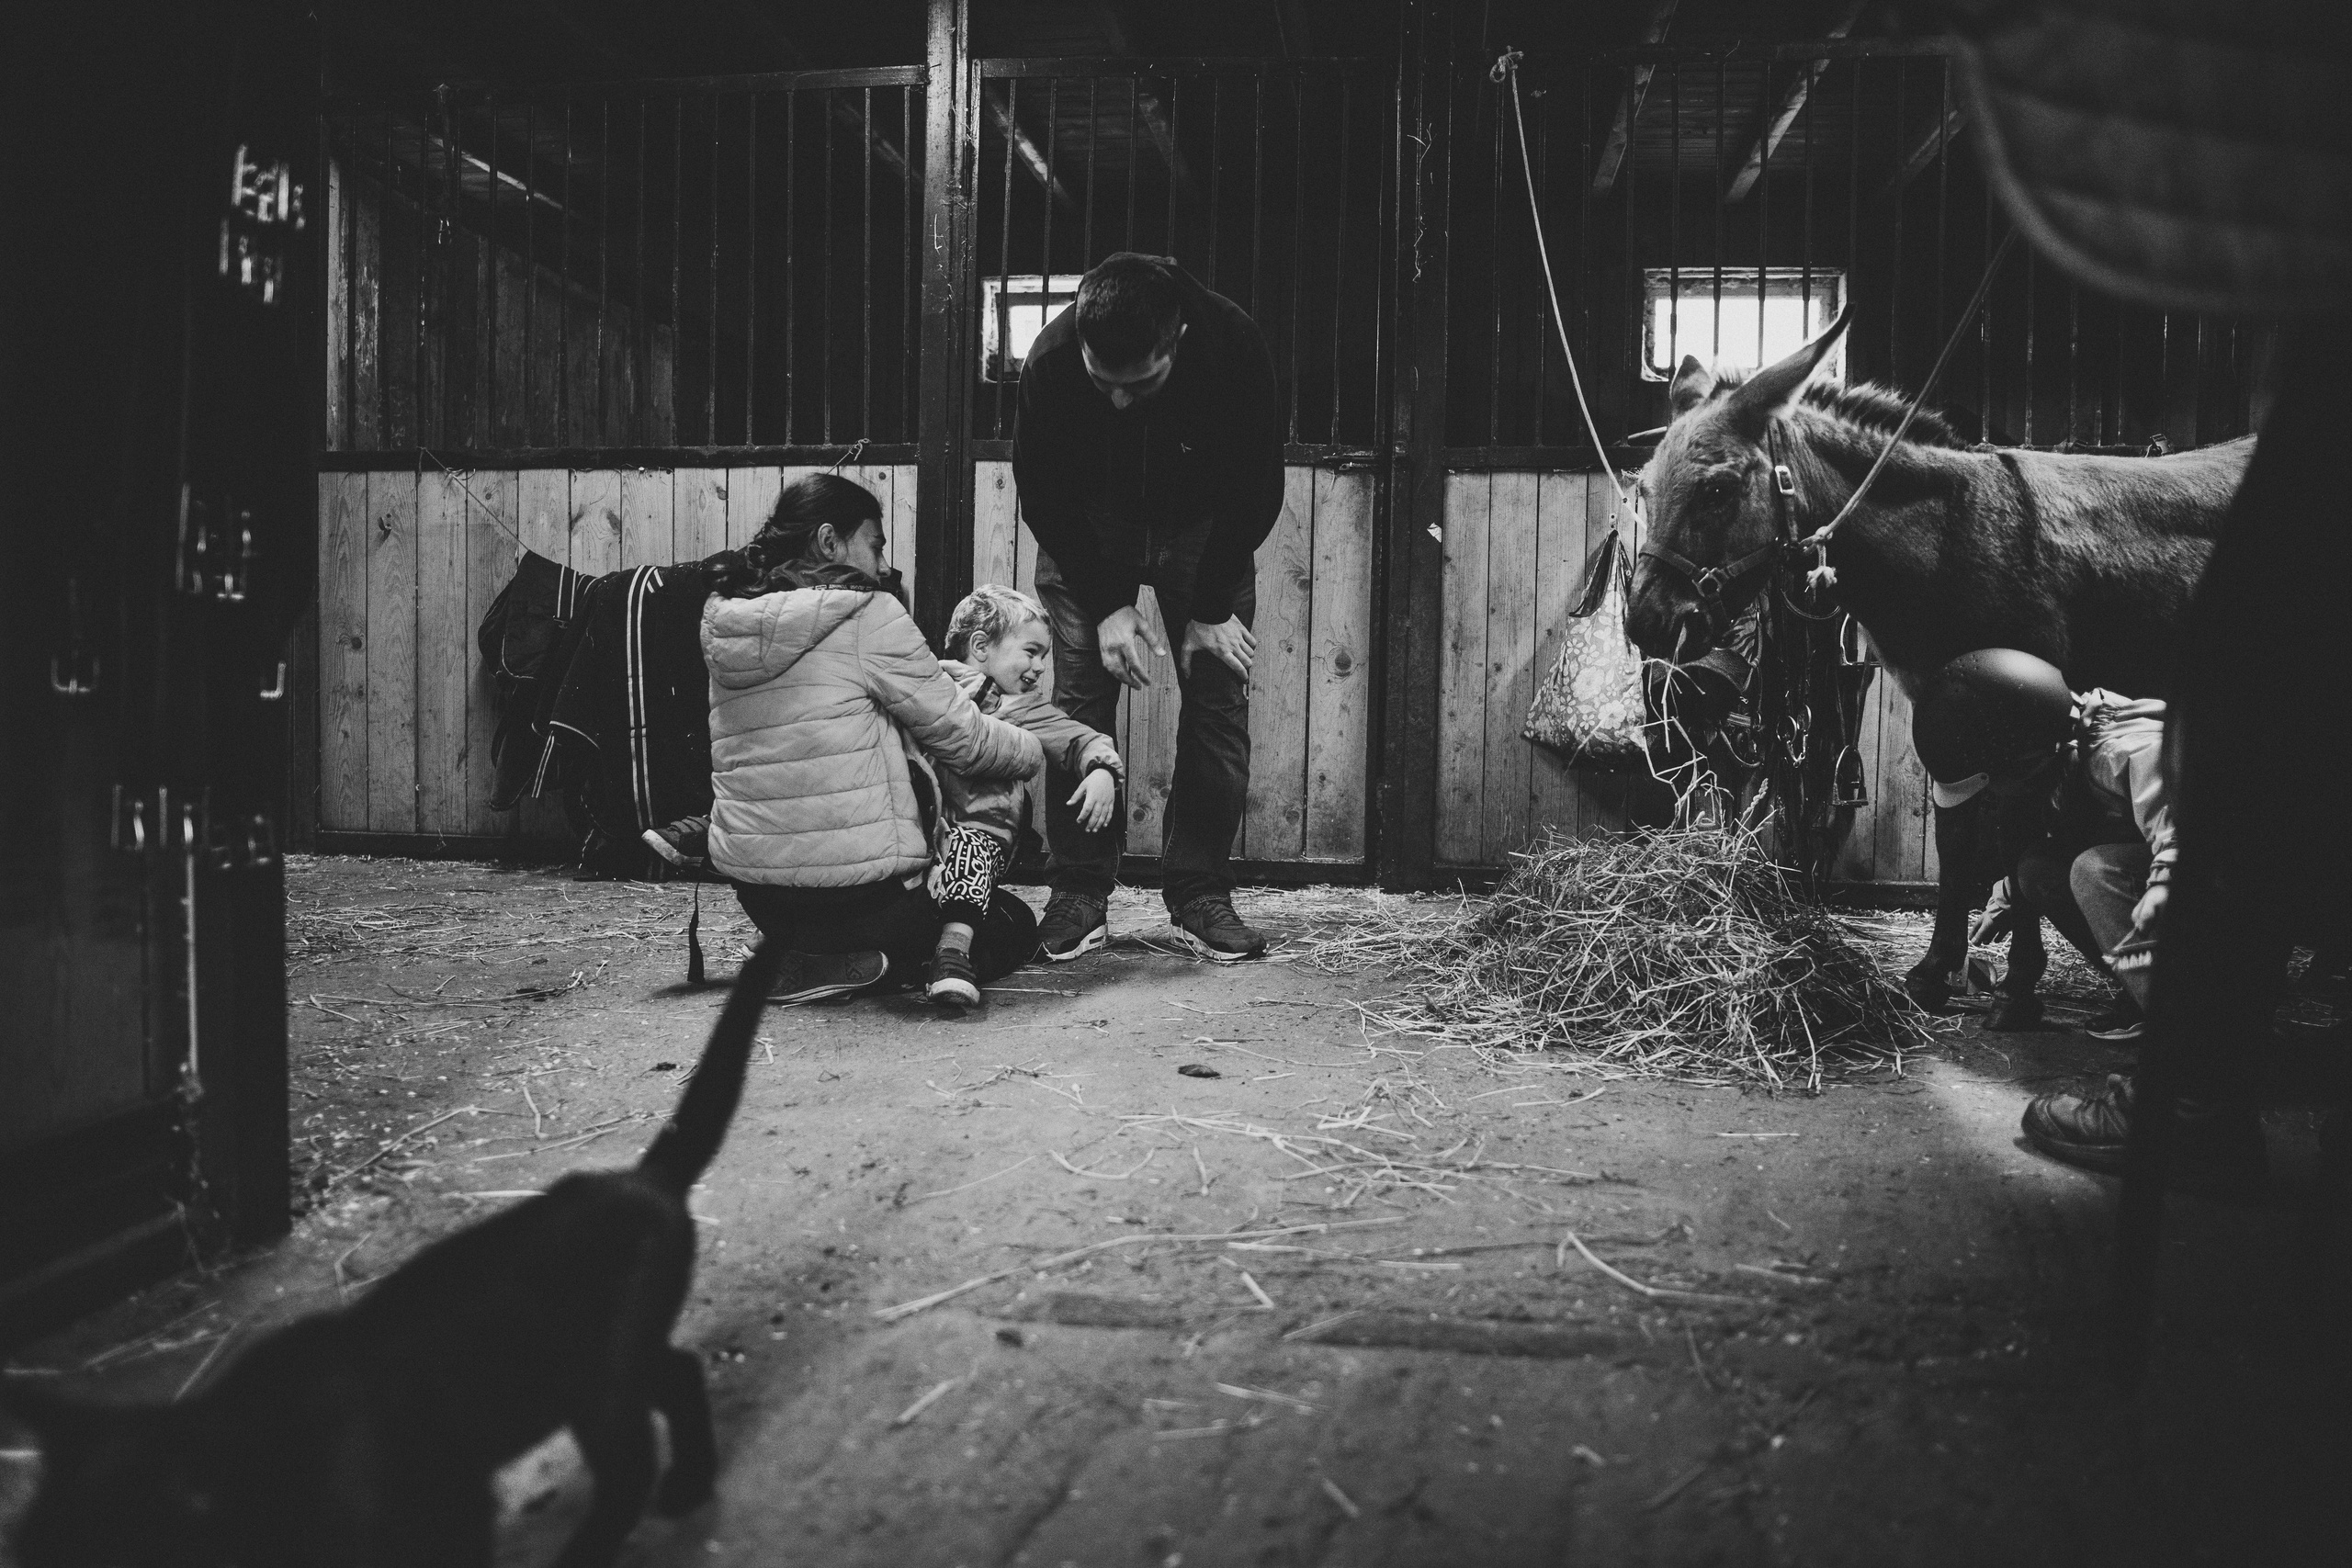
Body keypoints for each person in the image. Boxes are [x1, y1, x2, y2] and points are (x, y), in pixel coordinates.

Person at [1012, 252, 1283, 963]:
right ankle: (1077, 890)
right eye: (1104, 382)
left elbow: (1257, 484)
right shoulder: (1050, 359)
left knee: (1219, 698)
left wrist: (1213, 603)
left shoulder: (1232, 344)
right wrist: (1106, 604)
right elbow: (1041, 493)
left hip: (1202, 527)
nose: (1118, 402)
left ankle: (1199, 892)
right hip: (1090, 526)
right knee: (1076, 701)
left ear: (1179, 339)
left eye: (1140, 383)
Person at [1912, 649, 2263, 1185]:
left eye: (1994, 786)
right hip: (2213, 882)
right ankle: (2155, 1001)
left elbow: (2182, 820)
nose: (1991, 803)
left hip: (2233, 878)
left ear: (2022, 758)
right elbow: (2079, 820)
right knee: (2038, 873)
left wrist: (2166, 880)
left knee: (2094, 873)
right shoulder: (2064, 746)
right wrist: (2009, 892)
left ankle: (2194, 1071)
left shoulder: (2126, 745)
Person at [699, 474, 1045, 1004]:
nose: (883, 566)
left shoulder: (728, 622)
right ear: (830, 541)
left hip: (761, 899)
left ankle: (804, 957)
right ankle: (882, 965)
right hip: (859, 905)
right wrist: (1029, 748)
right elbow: (964, 739)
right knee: (1012, 922)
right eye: (875, 545)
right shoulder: (867, 613)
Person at [927, 583, 1125, 1010]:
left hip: (975, 838)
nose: (1039, 668)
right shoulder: (926, 688)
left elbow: (1077, 739)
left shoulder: (1021, 708)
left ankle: (951, 955)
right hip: (915, 834)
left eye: (1045, 657)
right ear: (981, 646)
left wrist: (1102, 769)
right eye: (1030, 652)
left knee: (975, 858)